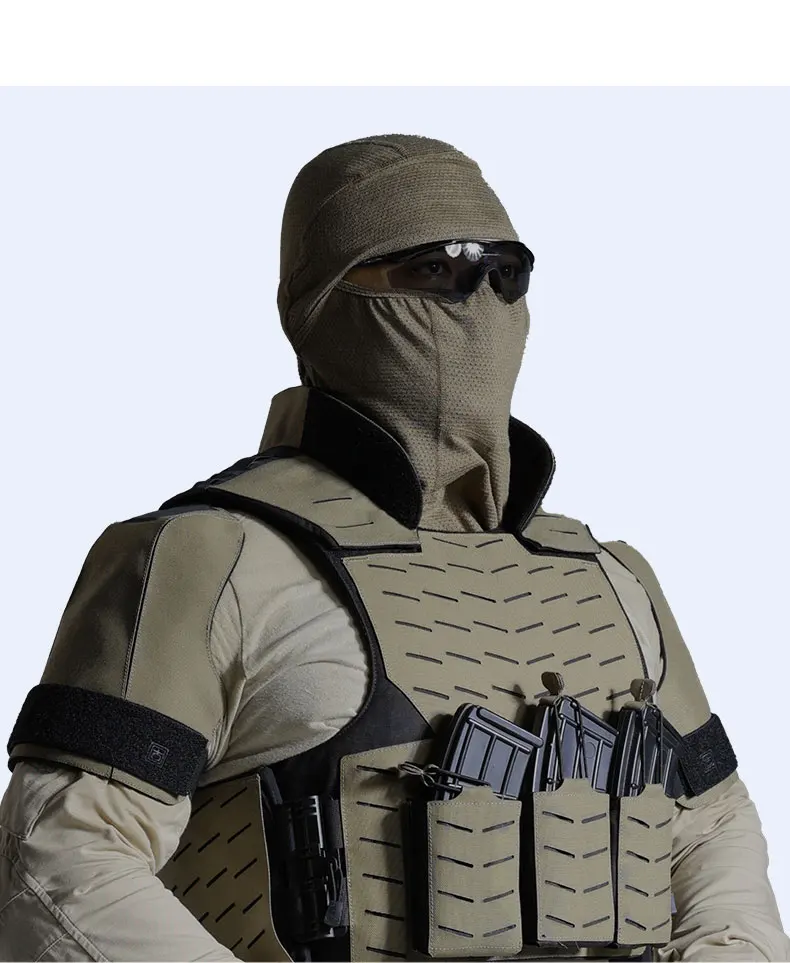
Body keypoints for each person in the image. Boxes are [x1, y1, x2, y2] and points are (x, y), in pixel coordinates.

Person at [0, 133, 787, 963]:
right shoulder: (205, 557)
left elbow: (712, 820)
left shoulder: (613, 576)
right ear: (321, 299)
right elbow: (57, 857)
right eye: (432, 269)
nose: (477, 301)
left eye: (505, 272)